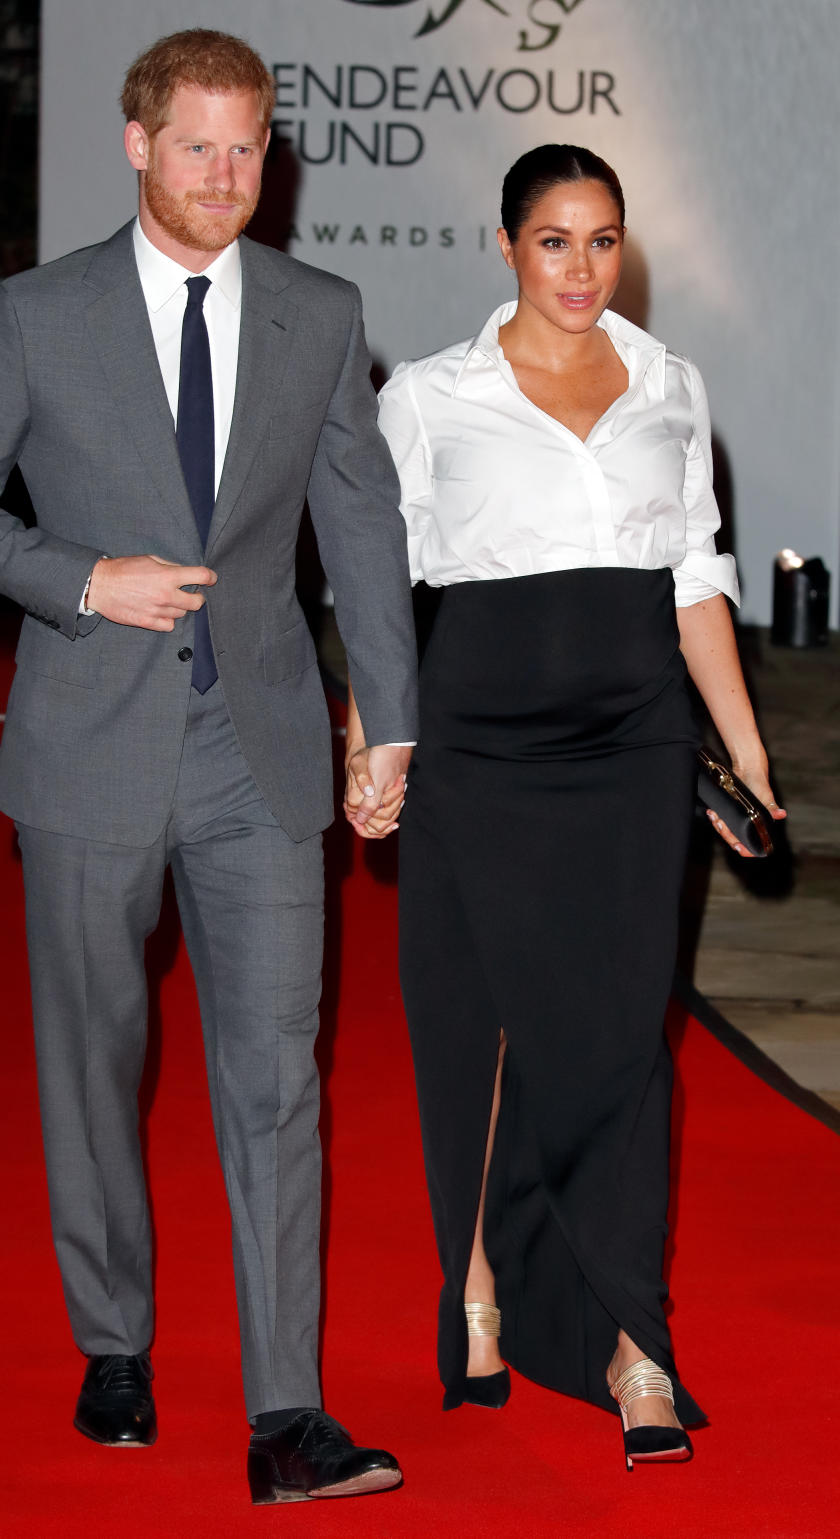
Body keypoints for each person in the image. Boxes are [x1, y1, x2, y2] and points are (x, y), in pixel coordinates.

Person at [0, 28, 417, 1505]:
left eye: (248, 147)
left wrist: (390, 711)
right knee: (96, 1063)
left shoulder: (319, 312)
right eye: (197, 146)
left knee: (277, 1082)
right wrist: (79, 577)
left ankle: (285, 1416)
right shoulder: (37, 315)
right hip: (87, 743)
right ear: (137, 146)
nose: (226, 176)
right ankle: (113, 1336)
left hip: (258, 747)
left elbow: (362, 525)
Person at [347, 143, 784, 1469]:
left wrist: (749, 755)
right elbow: (374, 588)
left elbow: (697, 579)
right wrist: (373, 740)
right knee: (479, 1033)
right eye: (554, 241)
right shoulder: (429, 396)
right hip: (478, 751)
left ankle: (633, 1342)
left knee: (619, 1042)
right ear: (504, 247)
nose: (582, 268)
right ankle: (477, 1288)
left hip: (634, 747)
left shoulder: (669, 384)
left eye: (603, 240)